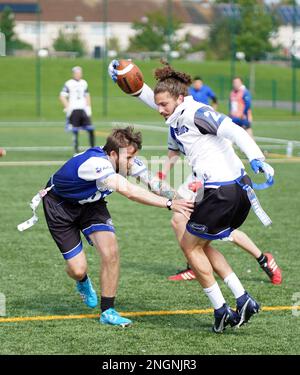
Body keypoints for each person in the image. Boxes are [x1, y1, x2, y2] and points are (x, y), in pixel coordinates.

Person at [109, 60, 275, 333]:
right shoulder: (178, 111)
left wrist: (256, 156)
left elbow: (233, 129)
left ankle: (221, 310)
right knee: (203, 245)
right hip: (232, 191)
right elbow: (155, 98)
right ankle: (242, 299)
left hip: (224, 193)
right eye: (159, 104)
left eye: (164, 105)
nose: (159, 110)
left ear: (180, 98)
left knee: (189, 245)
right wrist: (129, 84)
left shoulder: (196, 112)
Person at [22, 127, 193, 328]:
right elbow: (128, 190)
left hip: (92, 205)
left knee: (111, 252)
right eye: (128, 158)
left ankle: (108, 311)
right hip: (60, 207)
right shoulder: (96, 164)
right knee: (78, 269)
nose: (131, 163)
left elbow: (155, 183)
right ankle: (82, 281)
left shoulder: (123, 162)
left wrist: (184, 203)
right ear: (113, 154)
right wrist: (169, 205)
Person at [60, 66, 95, 154]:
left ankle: (93, 149)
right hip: (74, 110)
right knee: (75, 131)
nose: (78, 75)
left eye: (80, 73)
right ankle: (76, 150)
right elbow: (62, 96)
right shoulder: (69, 83)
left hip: (83, 109)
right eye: (76, 73)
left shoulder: (84, 83)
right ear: (73, 74)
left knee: (90, 129)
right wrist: (68, 107)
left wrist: (88, 107)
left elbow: (87, 95)